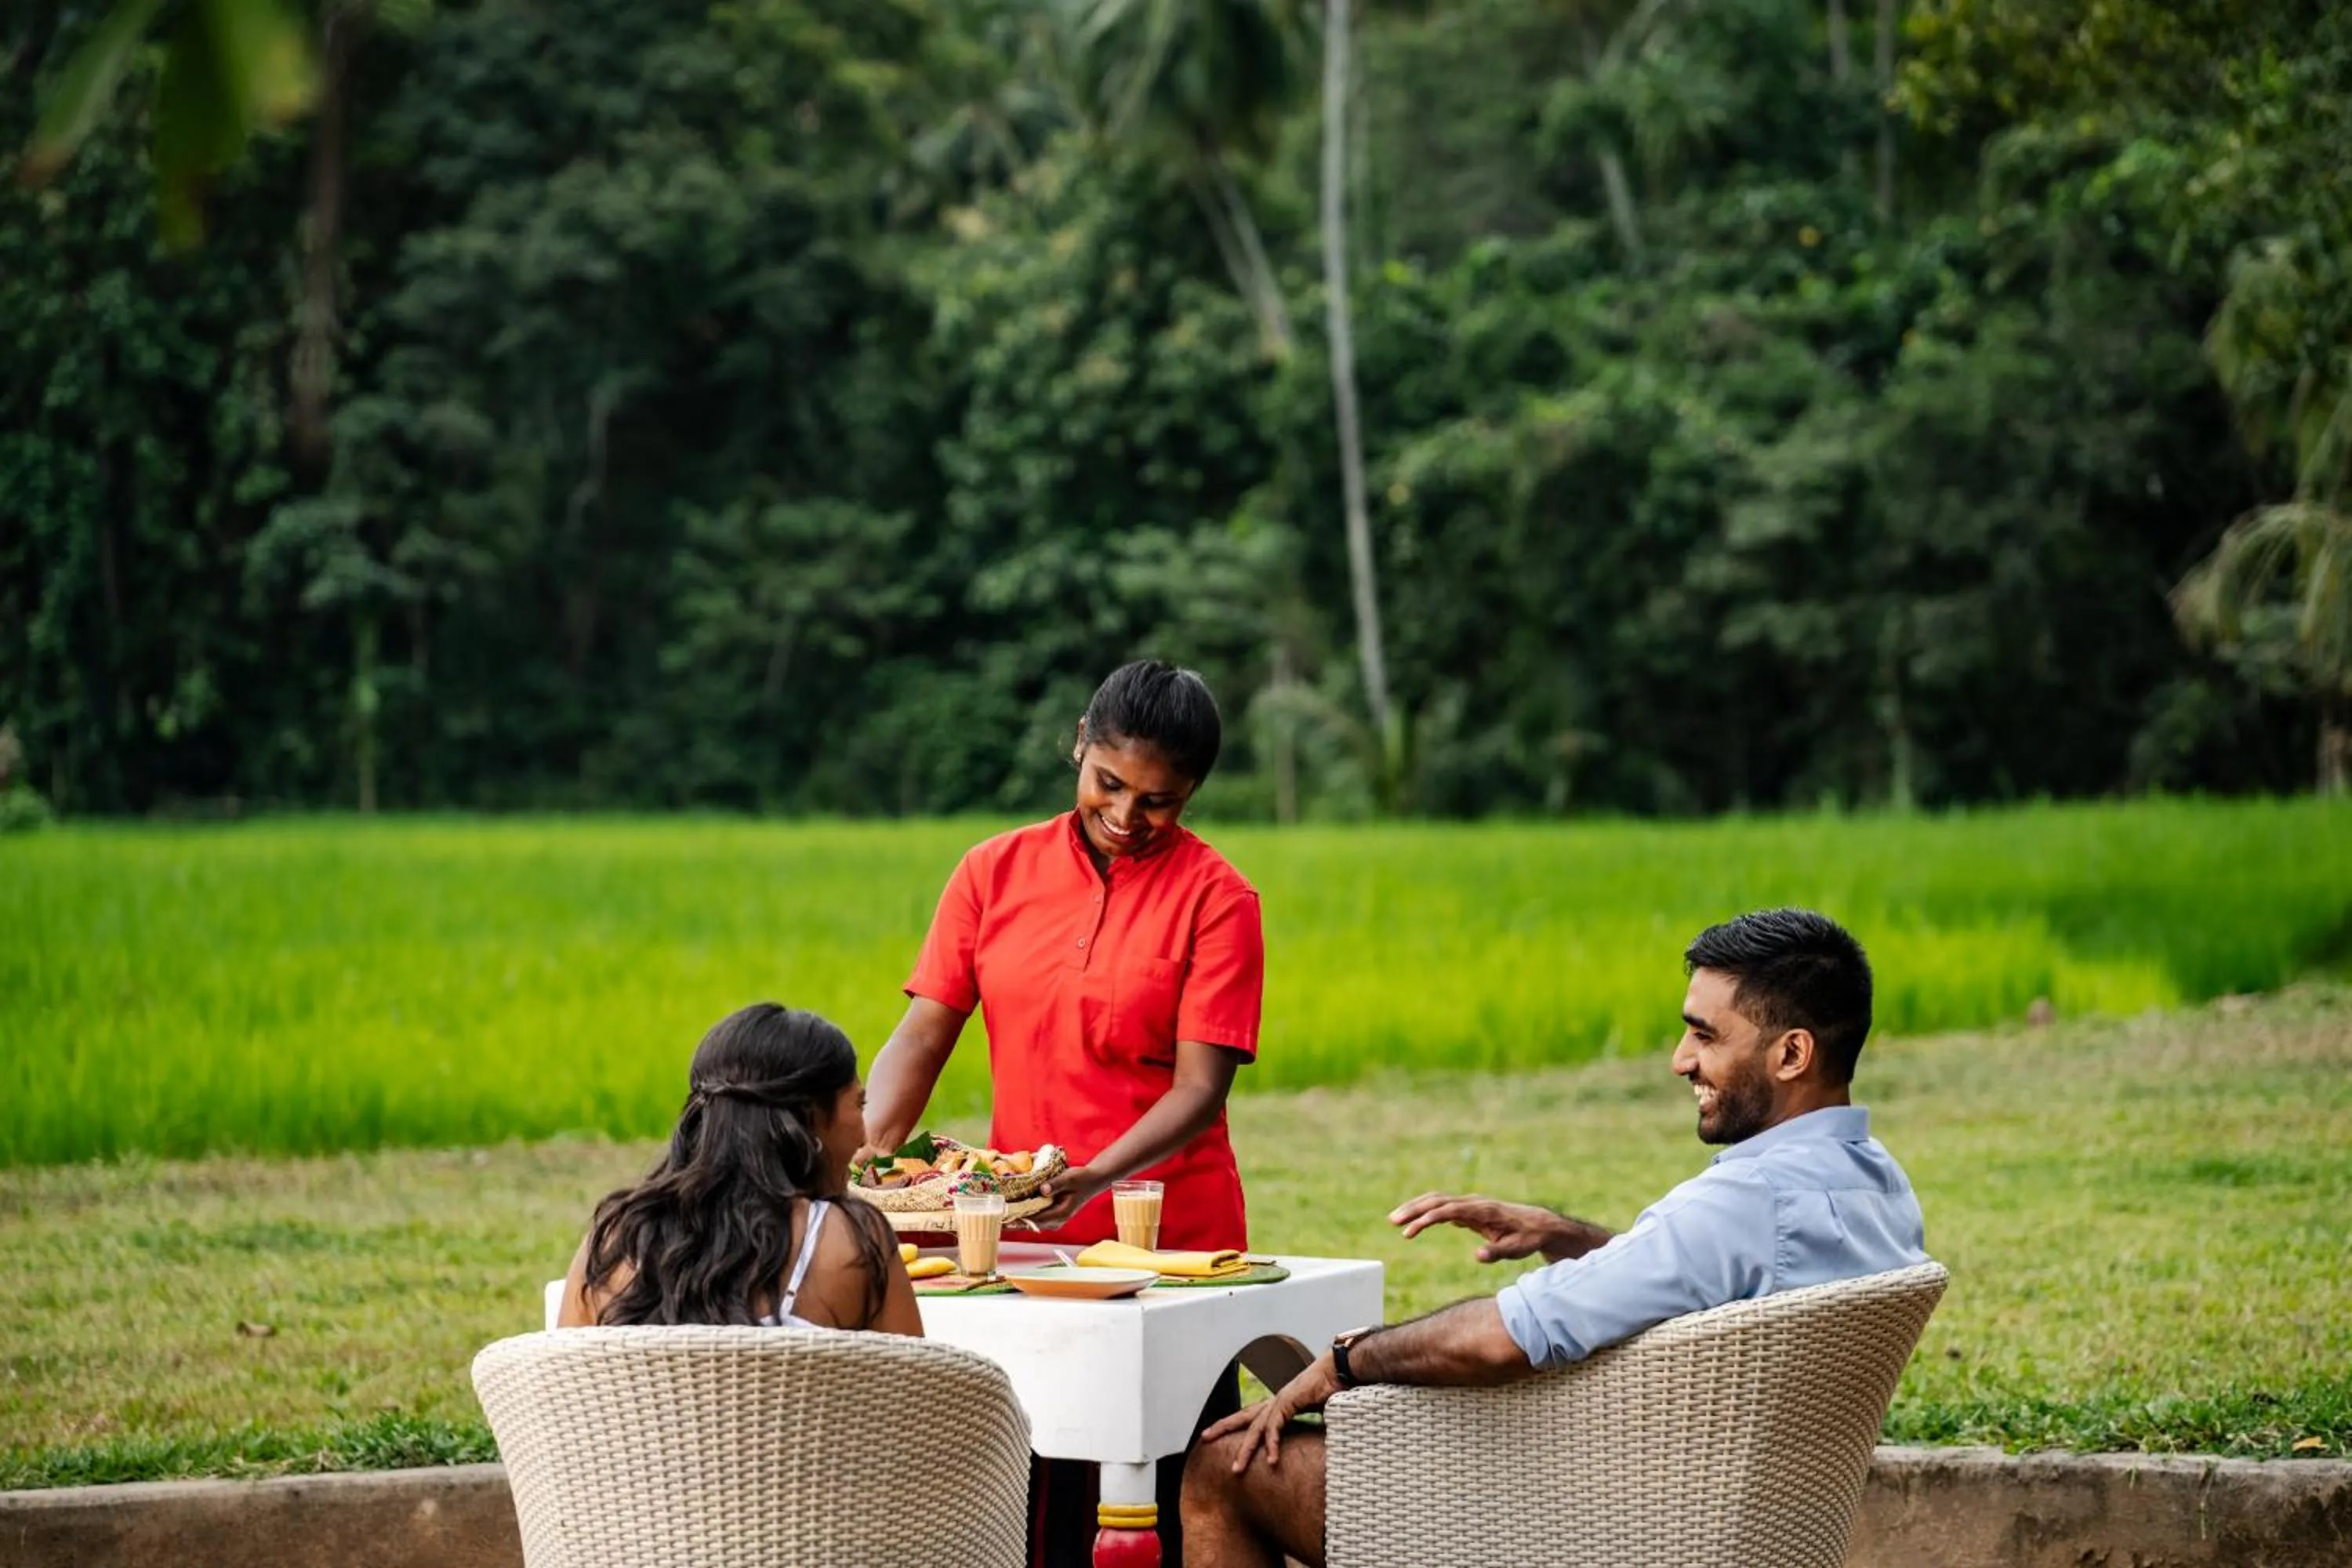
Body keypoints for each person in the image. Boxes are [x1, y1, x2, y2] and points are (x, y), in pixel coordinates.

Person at [1179, 909, 1931, 1568]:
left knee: (1223, 1465)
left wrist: (1346, 1361)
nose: (1681, 1059)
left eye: (1705, 1035)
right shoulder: (1877, 1184)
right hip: (1752, 1520)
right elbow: (1708, 1286)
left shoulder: (1746, 1200)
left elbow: (1500, 1340)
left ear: (1792, 1054)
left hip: (1603, 1524)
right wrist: (1565, 1236)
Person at [862, 659, 1265, 1566]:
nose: (1127, 817)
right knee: (1038, 1479)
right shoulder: (992, 871)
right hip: (1022, 1239)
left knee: (1157, 1479)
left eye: (1158, 801)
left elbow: (1201, 1089)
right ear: (1079, 745)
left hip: (1167, 1240)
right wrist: (866, 1161)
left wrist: (1094, 1173)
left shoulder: (1219, 899)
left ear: (1192, 792)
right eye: (1109, 783)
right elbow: (925, 1032)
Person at [557, 1002, 921, 1335]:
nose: (863, 1135)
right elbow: (913, 1398)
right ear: (811, 1119)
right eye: (860, 1104)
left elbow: (561, 1393)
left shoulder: (612, 1243)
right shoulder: (856, 1241)